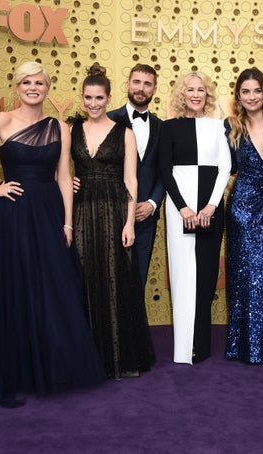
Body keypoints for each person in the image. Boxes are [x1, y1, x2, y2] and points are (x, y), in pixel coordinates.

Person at [0, 61, 105, 420]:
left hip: (47, 216)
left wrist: (68, 224)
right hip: (10, 216)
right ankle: (9, 370)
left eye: (39, 82)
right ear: (17, 87)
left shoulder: (59, 126)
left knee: (47, 292)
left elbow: (63, 177)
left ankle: (41, 367)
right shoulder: (1, 122)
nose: (33, 87)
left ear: (48, 87)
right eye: (26, 82)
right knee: (11, 289)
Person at [70, 63, 155, 379]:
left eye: (99, 98)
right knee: (82, 279)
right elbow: (55, 170)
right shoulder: (71, 130)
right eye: (88, 98)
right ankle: (84, 357)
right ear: (82, 99)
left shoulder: (125, 133)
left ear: (108, 99)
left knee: (113, 280)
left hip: (114, 212)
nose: (93, 104)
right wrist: (67, 179)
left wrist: (129, 223)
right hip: (80, 211)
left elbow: (131, 180)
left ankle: (116, 358)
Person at [158, 71, 231, 364]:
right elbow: (165, 170)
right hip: (180, 210)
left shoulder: (218, 127)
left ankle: (200, 345)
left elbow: (224, 168)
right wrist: (184, 208)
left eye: (201, 89)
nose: (196, 94)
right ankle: (182, 347)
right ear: (182, 94)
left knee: (206, 275)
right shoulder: (168, 127)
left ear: (207, 94)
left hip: (211, 209)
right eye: (190, 90)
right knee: (182, 274)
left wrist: (211, 206)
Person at [224, 68, 263, 365]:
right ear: (238, 96)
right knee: (240, 275)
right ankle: (237, 344)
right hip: (241, 207)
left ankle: (259, 342)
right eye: (245, 91)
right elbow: (218, 167)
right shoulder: (229, 127)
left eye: (256, 91)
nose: (251, 97)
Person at [106, 64, 164, 288]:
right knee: (109, 278)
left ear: (155, 90)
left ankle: (134, 325)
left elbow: (165, 172)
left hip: (145, 217)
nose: (141, 88)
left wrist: (152, 203)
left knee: (138, 279)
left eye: (147, 84)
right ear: (128, 84)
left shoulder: (162, 127)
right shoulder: (108, 120)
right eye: (137, 82)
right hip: (111, 212)